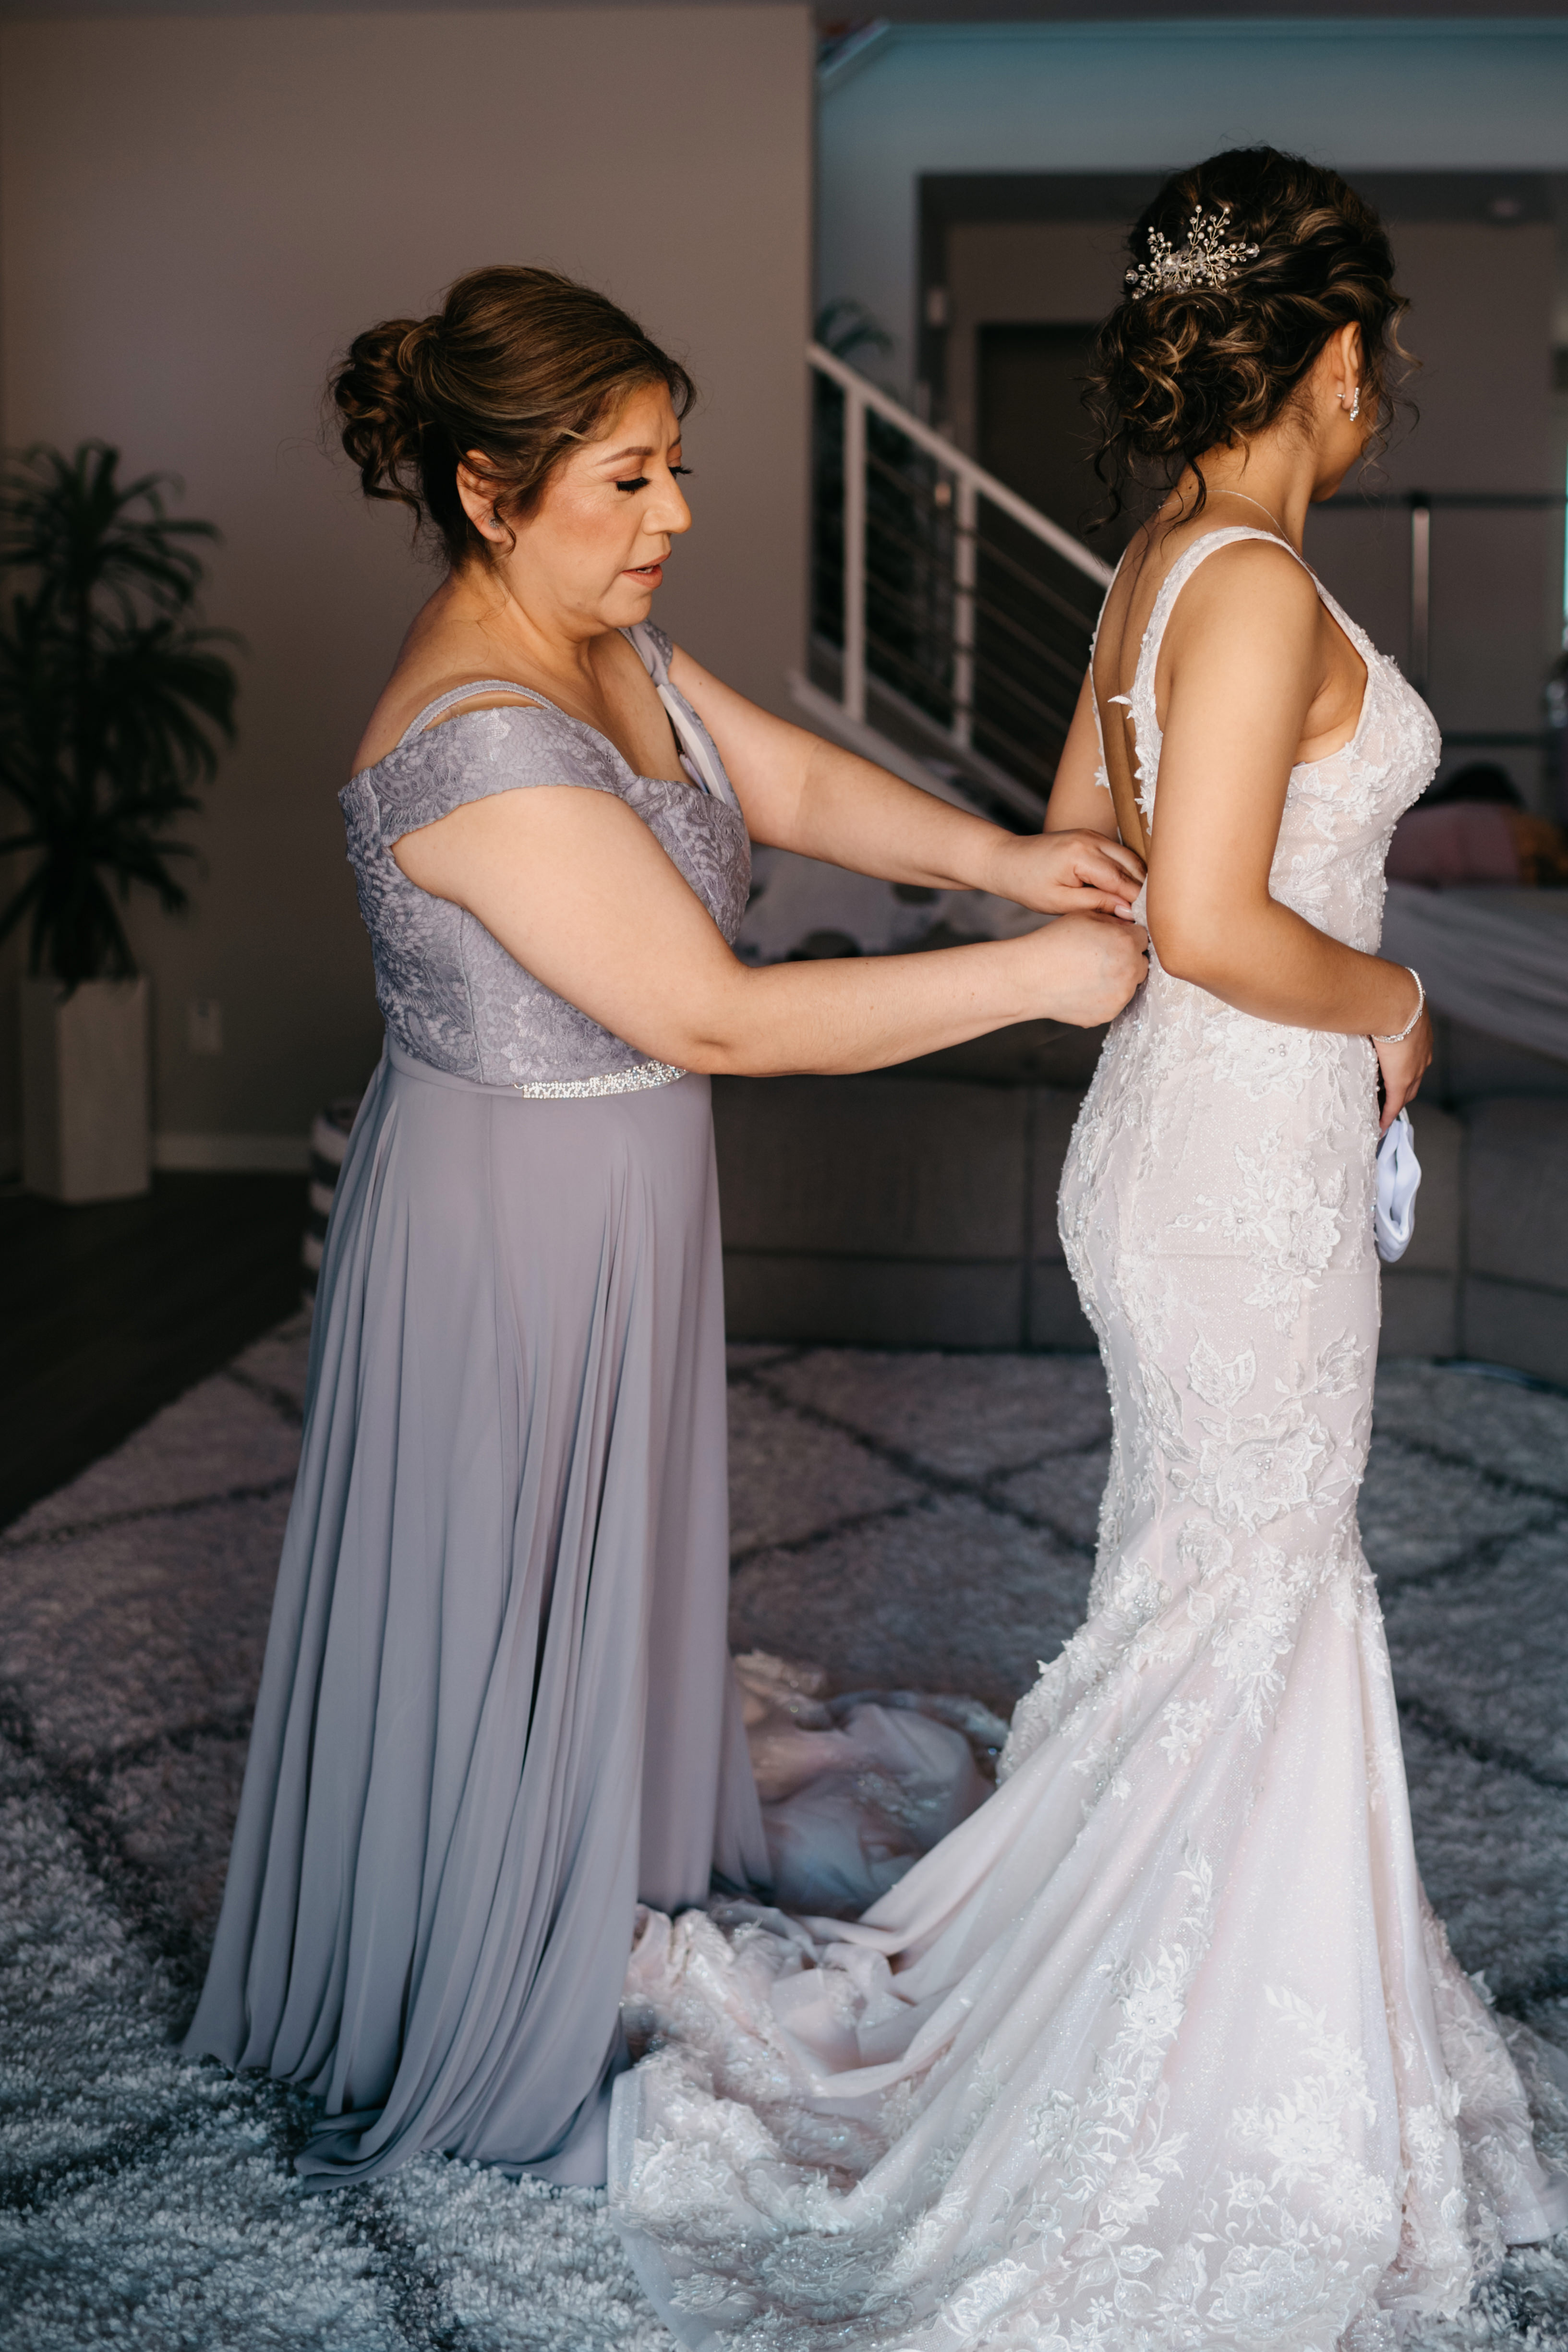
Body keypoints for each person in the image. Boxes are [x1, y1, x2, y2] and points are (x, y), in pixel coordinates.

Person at [607, 152, 1568, 2347]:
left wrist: (1280, 992)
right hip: (1231, 1162)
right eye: (1376, 356)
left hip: (1194, 1149)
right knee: (1250, 1583)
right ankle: (1192, 2070)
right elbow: (1211, 921)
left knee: (1213, 1586)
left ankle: (1228, 1989)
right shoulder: (1242, 587)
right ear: (1340, 354)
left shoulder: (1163, 566)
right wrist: (1393, 1003)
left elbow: (1083, 866)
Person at [181, 265, 1148, 2189]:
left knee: (605, 1565)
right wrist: (1031, 978)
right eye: (626, 481)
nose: (672, 515)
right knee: (505, 1571)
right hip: (510, 1222)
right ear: (488, 490)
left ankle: (601, 1824)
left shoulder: (597, 634)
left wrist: (990, 855)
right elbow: (717, 1014)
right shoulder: (472, 742)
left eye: (671, 469)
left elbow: (754, 767)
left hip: (622, 1185)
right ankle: (470, 1946)